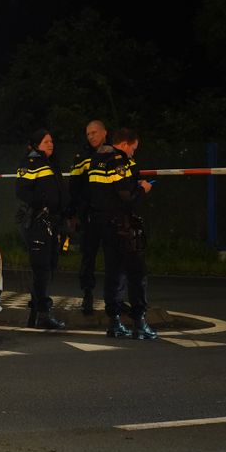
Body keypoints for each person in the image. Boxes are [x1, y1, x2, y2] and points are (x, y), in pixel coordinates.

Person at [87, 128, 157, 340]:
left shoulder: (96, 159)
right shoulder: (118, 161)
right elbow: (126, 196)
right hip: (123, 227)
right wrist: (143, 188)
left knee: (113, 273)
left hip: (103, 226)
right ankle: (140, 322)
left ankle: (115, 322)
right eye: (133, 149)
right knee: (136, 274)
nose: (133, 153)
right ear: (125, 144)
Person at [15, 128, 66, 330]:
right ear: (36, 145)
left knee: (48, 267)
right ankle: (42, 314)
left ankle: (36, 312)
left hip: (52, 223)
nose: (50, 144)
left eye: (51, 141)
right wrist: (42, 204)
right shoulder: (31, 162)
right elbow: (21, 191)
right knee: (41, 269)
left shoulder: (50, 163)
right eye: (46, 142)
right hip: (37, 223)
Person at [68, 120, 108, 315]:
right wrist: (73, 214)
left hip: (110, 216)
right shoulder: (82, 157)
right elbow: (73, 187)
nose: (91, 136)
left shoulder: (113, 154)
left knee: (114, 258)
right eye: (88, 133)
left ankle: (114, 298)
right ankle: (88, 296)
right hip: (89, 216)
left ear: (104, 133)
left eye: (94, 132)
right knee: (88, 257)